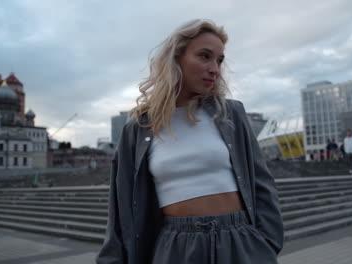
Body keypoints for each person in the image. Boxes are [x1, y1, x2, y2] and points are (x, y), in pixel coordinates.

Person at [96, 19, 283, 264]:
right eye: (205, 56)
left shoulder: (232, 114)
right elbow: (119, 207)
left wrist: (267, 243)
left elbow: (262, 185)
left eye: (219, 60)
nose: (215, 68)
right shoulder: (138, 128)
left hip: (239, 242)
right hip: (176, 248)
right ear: (176, 58)